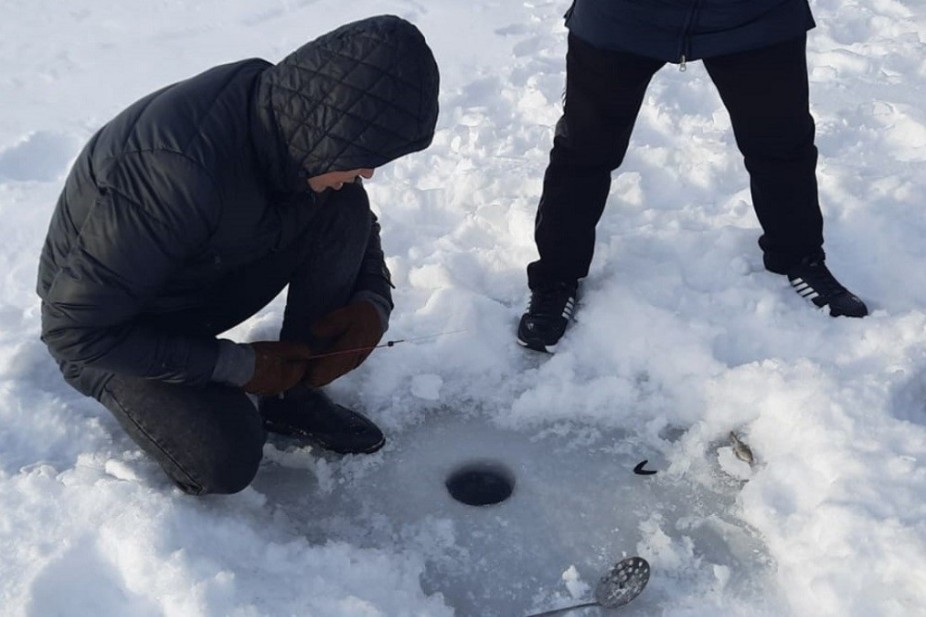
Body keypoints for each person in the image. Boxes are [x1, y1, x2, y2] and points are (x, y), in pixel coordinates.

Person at [36, 15, 440, 495]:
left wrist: (372, 302)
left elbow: (355, 223)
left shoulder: (293, 126)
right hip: (114, 332)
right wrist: (239, 365)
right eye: (365, 155)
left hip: (195, 282)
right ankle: (221, 392)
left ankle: (295, 396)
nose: (371, 171)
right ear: (332, 134)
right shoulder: (174, 173)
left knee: (343, 201)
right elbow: (73, 332)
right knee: (221, 460)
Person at [517, 0, 868, 353]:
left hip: (755, 16)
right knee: (583, 151)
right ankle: (556, 278)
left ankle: (799, 257)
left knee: (782, 145)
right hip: (623, 16)